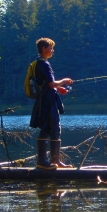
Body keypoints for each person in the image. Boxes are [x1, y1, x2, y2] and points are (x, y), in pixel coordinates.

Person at [30, 38, 73, 170]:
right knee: (49, 127)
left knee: (52, 128)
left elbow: (46, 84)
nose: (52, 50)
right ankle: (43, 161)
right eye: (51, 48)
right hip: (47, 102)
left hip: (45, 100)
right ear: (44, 48)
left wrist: (58, 89)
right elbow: (51, 84)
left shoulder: (38, 63)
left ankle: (55, 161)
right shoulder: (44, 64)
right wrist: (64, 81)